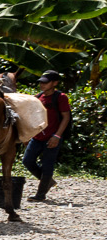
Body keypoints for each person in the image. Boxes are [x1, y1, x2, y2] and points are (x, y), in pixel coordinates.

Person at [24, 71, 71, 201]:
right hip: (37, 136)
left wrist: (57, 136)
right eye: (41, 82)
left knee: (47, 165)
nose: (42, 85)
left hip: (52, 137)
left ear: (55, 83)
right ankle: (47, 182)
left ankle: (40, 195)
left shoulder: (60, 97)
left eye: (45, 82)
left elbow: (66, 117)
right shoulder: (38, 97)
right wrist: (27, 135)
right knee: (27, 161)